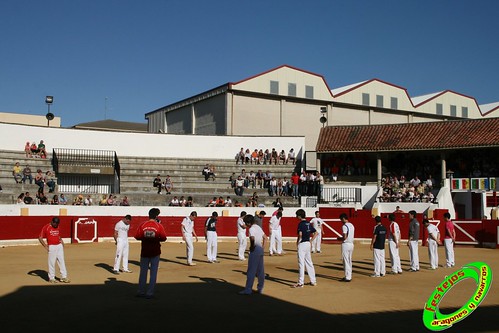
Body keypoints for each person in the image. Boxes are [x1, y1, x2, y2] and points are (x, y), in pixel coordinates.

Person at [135, 208, 167, 299]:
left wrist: (145, 238)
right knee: (153, 273)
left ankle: (141, 291)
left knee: (143, 272)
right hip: (155, 251)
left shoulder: (143, 225)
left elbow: (137, 236)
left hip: (144, 251)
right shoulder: (158, 226)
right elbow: (164, 238)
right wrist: (155, 239)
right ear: (156, 216)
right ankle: (150, 293)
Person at [239, 214, 266, 295]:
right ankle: (260, 288)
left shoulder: (251, 229)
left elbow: (252, 238)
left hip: (254, 251)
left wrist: (252, 246)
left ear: (249, 223)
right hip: (260, 250)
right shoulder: (258, 227)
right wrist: (263, 248)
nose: (245, 224)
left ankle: (248, 289)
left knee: (251, 271)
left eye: (246, 223)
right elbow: (265, 237)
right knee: (260, 271)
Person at [38, 217, 70, 283]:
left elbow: (58, 235)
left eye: (57, 223)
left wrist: (62, 241)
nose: (56, 225)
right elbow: (40, 237)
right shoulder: (46, 227)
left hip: (59, 246)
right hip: (52, 246)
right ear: (52, 222)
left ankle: (64, 277)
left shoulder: (58, 226)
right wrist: (45, 246)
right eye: (55, 223)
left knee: (61, 261)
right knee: (51, 262)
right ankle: (51, 278)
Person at [293, 209, 317, 288]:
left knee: (301, 263)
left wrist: (298, 242)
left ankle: (301, 282)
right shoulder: (308, 223)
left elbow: (300, 234)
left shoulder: (301, 224)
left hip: (302, 244)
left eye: (297, 215)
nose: (296, 217)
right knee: (309, 262)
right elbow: (316, 232)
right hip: (308, 243)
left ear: (299, 216)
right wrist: (311, 241)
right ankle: (313, 281)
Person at [338, 213, 355, 282]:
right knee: (349, 260)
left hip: (346, 244)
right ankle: (349, 275)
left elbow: (344, 237)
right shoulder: (352, 225)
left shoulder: (344, 226)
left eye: (341, 219)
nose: (341, 221)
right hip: (351, 244)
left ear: (343, 219)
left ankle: (348, 277)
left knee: (345, 260)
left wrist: (339, 239)